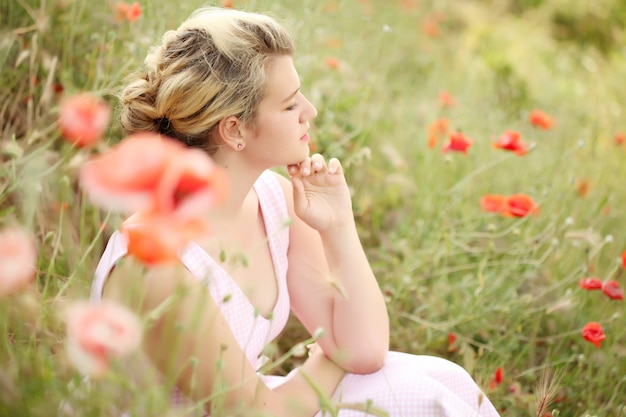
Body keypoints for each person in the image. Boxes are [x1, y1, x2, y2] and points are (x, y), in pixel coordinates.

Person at [91, 6, 501, 417]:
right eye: (289, 105)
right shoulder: (157, 263)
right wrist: (323, 358)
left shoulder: (273, 200)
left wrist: (338, 225)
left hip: (256, 405)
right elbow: (260, 413)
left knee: (427, 382)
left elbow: (365, 351)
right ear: (234, 129)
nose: (310, 111)